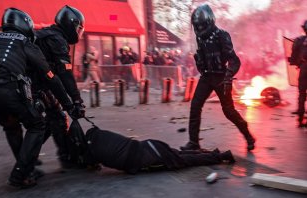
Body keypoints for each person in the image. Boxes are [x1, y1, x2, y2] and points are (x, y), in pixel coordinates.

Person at [0, 8, 73, 188]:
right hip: (9, 89)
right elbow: (51, 77)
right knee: (37, 125)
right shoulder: (25, 42)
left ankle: (26, 169)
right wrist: (68, 103)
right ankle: (20, 174)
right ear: (25, 24)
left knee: (11, 126)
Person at [180, 4, 255, 151]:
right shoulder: (200, 38)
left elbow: (234, 61)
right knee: (195, 106)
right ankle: (193, 143)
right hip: (207, 76)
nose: (199, 29)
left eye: (201, 25)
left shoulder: (222, 35)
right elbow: (202, 61)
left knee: (229, 111)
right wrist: (199, 60)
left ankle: (248, 136)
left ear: (209, 22)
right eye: (197, 26)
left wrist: (228, 77)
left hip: (221, 76)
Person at [66, 121, 235, 174]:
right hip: (148, 145)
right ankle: (213, 153)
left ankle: (221, 156)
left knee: (183, 160)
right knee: (177, 153)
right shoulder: (97, 134)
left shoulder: (90, 153)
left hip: (145, 158)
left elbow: (90, 164)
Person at [34, 5, 86, 167]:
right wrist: (76, 99)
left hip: (32, 83)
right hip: (36, 84)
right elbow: (65, 73)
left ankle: (28, 154)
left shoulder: (45, 34)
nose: (78, 32)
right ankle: (65, 158)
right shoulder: (57, 39)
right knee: (56, 118)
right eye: (78, 28)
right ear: (71, 24)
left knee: (50, 118)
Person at [289, 20, 307, 127]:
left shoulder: (299, 40)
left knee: (302, 93)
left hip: (304, 68)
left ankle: (300, 118)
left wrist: (297, 63)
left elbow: (293, 56)